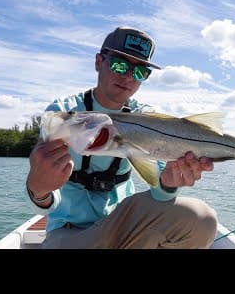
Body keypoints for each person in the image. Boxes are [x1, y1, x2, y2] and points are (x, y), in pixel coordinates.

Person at [26, 26, 218, 249]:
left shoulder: (147, 118)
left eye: (139, 72)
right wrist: (39, 189)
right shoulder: (65, 115)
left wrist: (168, 184)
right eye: (119, 65)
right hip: (69, 231)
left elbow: (161, 195)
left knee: (201, 219)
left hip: (123, 222)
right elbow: (45, 203)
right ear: (99, 62)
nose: (128, 77)